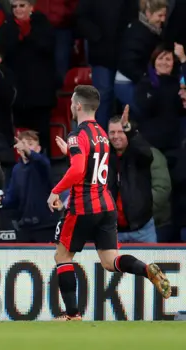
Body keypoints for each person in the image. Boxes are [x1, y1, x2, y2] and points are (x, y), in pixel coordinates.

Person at [47, 85, 171, 321]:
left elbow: (78, 170)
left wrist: (55, 191)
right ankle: (146, 270)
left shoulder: (77, 134)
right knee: (109, 260)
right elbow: (90, 165)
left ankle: (72, 314)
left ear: (79, 106)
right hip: (106, 206)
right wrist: (70, 153)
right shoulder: (103, 135)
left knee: (62, 257)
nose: (71, 107)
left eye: (73, 103)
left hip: (83, 205)